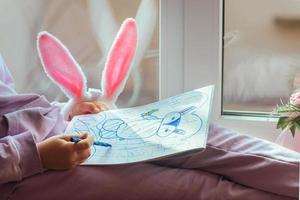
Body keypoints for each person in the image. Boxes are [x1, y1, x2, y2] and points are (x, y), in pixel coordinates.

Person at [0, 54, 299, 200]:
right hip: (27, 171)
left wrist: (64, 110)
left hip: (59, 126)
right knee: (197, 190)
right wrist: (35, 156)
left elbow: (9, 102)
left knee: (207, 139)